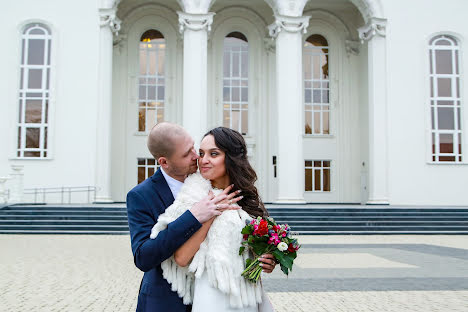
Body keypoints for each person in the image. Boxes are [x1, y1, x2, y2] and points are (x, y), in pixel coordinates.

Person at [126, 123, 275, 312]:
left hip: (235, 297)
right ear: (164, 162)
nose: (198, 158)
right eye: (189, 153)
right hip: (169, 301)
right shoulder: (142, 195)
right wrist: (195, 216)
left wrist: (266, 259)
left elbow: (246, 245)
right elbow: (144, 257)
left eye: (196, 149)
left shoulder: (218, 184)